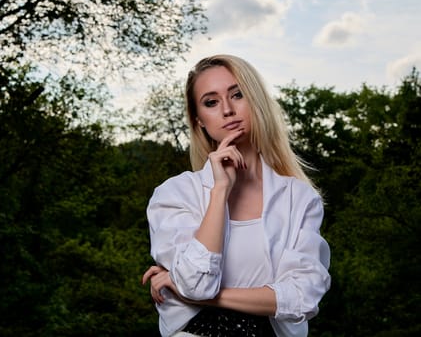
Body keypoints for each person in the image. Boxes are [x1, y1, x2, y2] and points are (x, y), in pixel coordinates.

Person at [141, 54, 331, 337]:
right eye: (211, 102)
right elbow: (196, 283)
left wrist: (198, 297)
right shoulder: (174, 194)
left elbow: (302, 296)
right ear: (199, 121)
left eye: (237, 94)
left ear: (256, 100)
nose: (227, 110)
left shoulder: (300, 198)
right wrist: (220, 192)